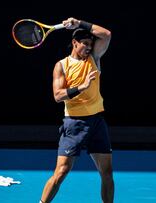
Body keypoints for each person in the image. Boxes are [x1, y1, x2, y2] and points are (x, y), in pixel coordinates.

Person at [39, 17, 114, 203]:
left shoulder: (94, 58)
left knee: (107, 173)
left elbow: (106, 34)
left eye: (91, 44)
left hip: (97, 122)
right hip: (74, 124)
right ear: (74, 43)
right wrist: (81, 86)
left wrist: (79, 23)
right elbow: (57, 96)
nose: (89, 47)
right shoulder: (61, 66)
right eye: (85, 44)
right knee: (61, 171)